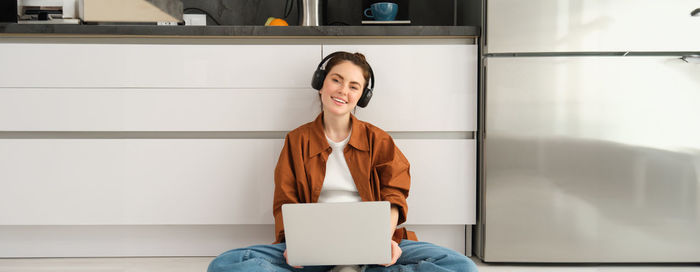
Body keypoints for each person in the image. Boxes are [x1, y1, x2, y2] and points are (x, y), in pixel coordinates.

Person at [208, 52, 478, 272]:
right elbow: (285, 201)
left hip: (372, 244)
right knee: (225, 264)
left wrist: (382, 241)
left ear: (362, 96)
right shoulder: (297, 140)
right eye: (336, 80)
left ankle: (359, 267)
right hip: (315, 247)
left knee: (461, 266)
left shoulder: (378, 139)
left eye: (354, 86)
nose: (342, 91)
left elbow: (394, 195)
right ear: (321, 83)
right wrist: (296, 245)